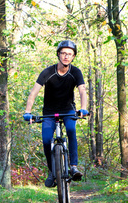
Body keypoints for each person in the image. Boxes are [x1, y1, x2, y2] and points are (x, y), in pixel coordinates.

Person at [23, 40, 88, 187]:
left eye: (70, 54)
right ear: (58, 54)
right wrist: (28, 112)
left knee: (71, 130)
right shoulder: (48, 72)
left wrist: (83, 108)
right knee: (46, 139)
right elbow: (33, 93)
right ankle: (52, 172)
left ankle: (73, 167)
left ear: (73, 57)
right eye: (64, 53)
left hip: (68, 110)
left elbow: (82, 91)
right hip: (49, 112)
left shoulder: (75, 72)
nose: (66, 56)